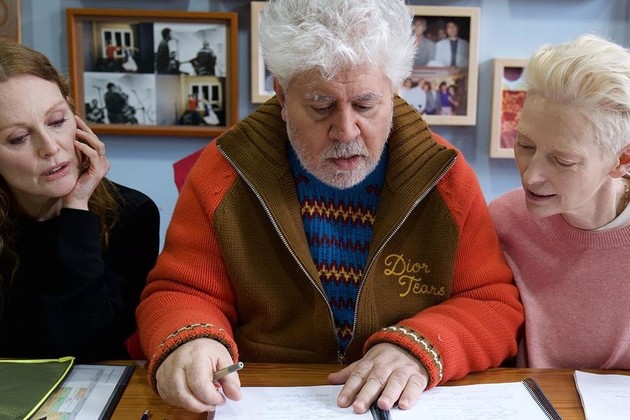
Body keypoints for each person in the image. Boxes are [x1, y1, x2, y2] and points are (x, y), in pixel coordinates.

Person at [136, 0, 522, 416]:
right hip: (263, 400)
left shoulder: (444, 176)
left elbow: (492, 304)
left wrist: (420, 346)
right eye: (321, 106)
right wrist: (192, 338)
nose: (346, 130)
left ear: (393, 90)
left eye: (366, 105)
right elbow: (180, 291)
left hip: (398, 405)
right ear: (282, 94)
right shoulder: (224, 171)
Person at [0, 38, 160, 362]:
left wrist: (76, 211)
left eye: (57, 121)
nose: (50, 147)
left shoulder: (133, 214)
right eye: (18, 138)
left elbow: (92, 344)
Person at [489, 33, 630, 370]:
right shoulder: (502, 220)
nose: (531, 176)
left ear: (621, 161)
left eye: (562, 161)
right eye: (525, 145)